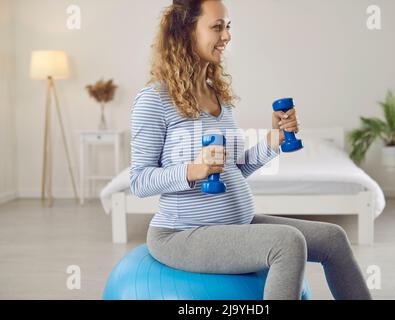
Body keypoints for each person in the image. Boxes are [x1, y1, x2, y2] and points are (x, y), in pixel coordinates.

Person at [130, 0, 372, 300]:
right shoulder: (154, 100)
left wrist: (274, 140)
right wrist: (194, 170)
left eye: (228, 27)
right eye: (217, 27)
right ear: (185, 31)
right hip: (181, 235)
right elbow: (139, 181)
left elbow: (236, 169)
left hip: (232, 225)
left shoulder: (217, 94)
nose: (227, 36)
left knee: (333, 238)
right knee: (287, 243)